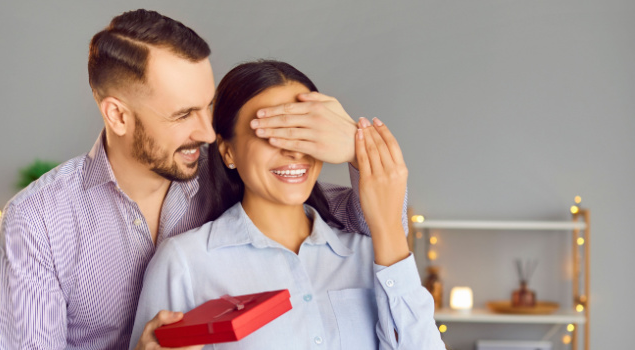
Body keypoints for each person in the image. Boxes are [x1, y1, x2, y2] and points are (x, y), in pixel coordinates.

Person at [0, 10, 402, 350]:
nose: (207, 132)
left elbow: (373, 225)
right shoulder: (39, 221)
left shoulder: (228, 170)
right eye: (183, 114)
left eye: (207, 107)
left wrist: (356, 144)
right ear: (117, 115)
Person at [130, 60, 444, 349]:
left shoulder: (368, 253)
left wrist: (387, 226)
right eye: (271, 133)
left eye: (304, 132)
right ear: (227, 152)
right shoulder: (184, 263)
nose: (294, 151)